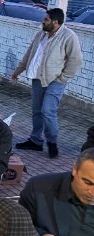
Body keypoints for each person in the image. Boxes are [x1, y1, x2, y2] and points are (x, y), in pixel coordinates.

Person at [13, 8, 83, 159]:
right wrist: (18, 71)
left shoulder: (69, 37)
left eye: (46, 20)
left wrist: (63, 78)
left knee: (47, 111)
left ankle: (52, 143)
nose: (42, 22)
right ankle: (36, 141)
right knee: (37, 111)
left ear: (55, 22)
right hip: (38, 79)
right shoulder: (41, 35)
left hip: (55, 81)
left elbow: (76, 60)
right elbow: (29, 54)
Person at [20, 148, 94, 236]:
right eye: (88, 182)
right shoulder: (40, 187)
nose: (93, 192)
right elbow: (17, 226)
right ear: (74, 170)